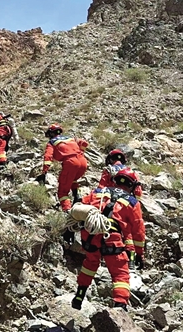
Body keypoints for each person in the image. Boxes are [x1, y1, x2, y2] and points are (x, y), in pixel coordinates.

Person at [70, 168, 145, 311]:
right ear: (133, 185)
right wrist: (139, 254)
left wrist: (69, 231)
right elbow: (138, 232)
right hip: (112, 239)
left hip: (90, 236)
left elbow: (79, 208)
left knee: (90, 264)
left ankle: (79, 296)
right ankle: (120, 306)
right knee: (120, 273)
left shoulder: (98, 192)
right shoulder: (132, 202)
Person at [35, 124, 88, 211]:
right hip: (83, 162)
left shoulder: (52, 142)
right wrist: (81, 152)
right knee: (72, 179)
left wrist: (44, 172)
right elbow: (84, 143)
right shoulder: (70, 138)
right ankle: (76, 196)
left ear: (51, 133)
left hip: (71, 163)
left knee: (62, 192)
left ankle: (67, 210)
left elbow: (48, 157)